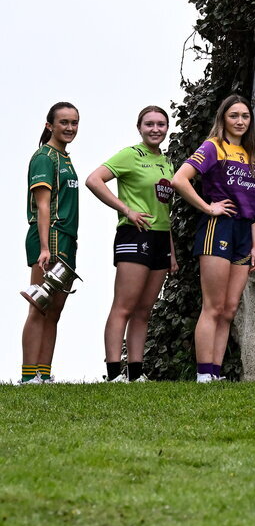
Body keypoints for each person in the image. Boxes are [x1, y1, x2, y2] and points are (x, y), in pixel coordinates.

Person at [172, 94, 255, 382]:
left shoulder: (251, 154)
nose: (240, 121)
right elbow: (179, 179)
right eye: (234, 115)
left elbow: (253, 204)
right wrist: (209, 207)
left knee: (229, 308)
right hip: (218, 229)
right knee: (213, 305)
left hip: (244, 234)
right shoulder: (213, 147)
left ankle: (215, 373)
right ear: (223, 118)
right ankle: (203, 373)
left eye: (245, 116)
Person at [86, 106, 178, 382]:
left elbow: (166, 211)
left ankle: (136, 374)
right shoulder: (130, 154)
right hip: (134, 235)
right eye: (149, 124)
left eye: (161, 124)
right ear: (139, 127)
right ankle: (115, 374)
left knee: (143, 311)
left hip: (161, 239)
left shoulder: (167, 162)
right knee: (123, 307)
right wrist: (127, 210)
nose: (155, 129)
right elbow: (94, 180)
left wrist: (172, 252)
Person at [19, 102, 80, 385]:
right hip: (50, 236)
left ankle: (44, 373)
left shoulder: (65, 158)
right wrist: (45, 248)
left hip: (67, 239)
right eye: (64, 122)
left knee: (55, 310)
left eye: (74, 122)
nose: (69, 128)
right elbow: (43, 206)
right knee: (39, 305)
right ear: (50, 126)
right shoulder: (44, 158)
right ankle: (29, 375)